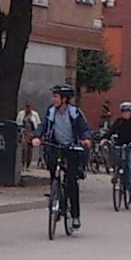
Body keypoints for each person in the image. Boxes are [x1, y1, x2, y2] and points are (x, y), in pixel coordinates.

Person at [31, 83, 92, 229]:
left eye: (56, 96)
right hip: (56, 146)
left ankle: (76, 215)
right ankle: (58, 202)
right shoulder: (51, 111)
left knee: (71, 181)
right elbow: (43, 126)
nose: (53, 99)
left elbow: (84, 129)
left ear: (64, 99)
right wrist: (37, 136)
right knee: (54, 174)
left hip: (72, 147)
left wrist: (86, 139)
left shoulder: (74, 112)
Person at [105, 100, 131, 203]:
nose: (126, 113)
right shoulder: (119, 121)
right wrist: (104, 138)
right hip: (120, 145)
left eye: (128, 111)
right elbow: (111, 131)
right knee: (116, 159)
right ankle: (115, 173)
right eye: (124, 111)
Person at [16, 100, 42, 169]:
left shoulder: (35, 114)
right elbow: (18, 123)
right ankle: (22, 164)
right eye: (26, 107)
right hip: (24, 133)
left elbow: (38, 124)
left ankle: (28, 165)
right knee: (24, 149)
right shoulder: (21, 114)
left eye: (29, 107)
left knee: (30, 149)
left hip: (31, 133)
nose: (27, 108)